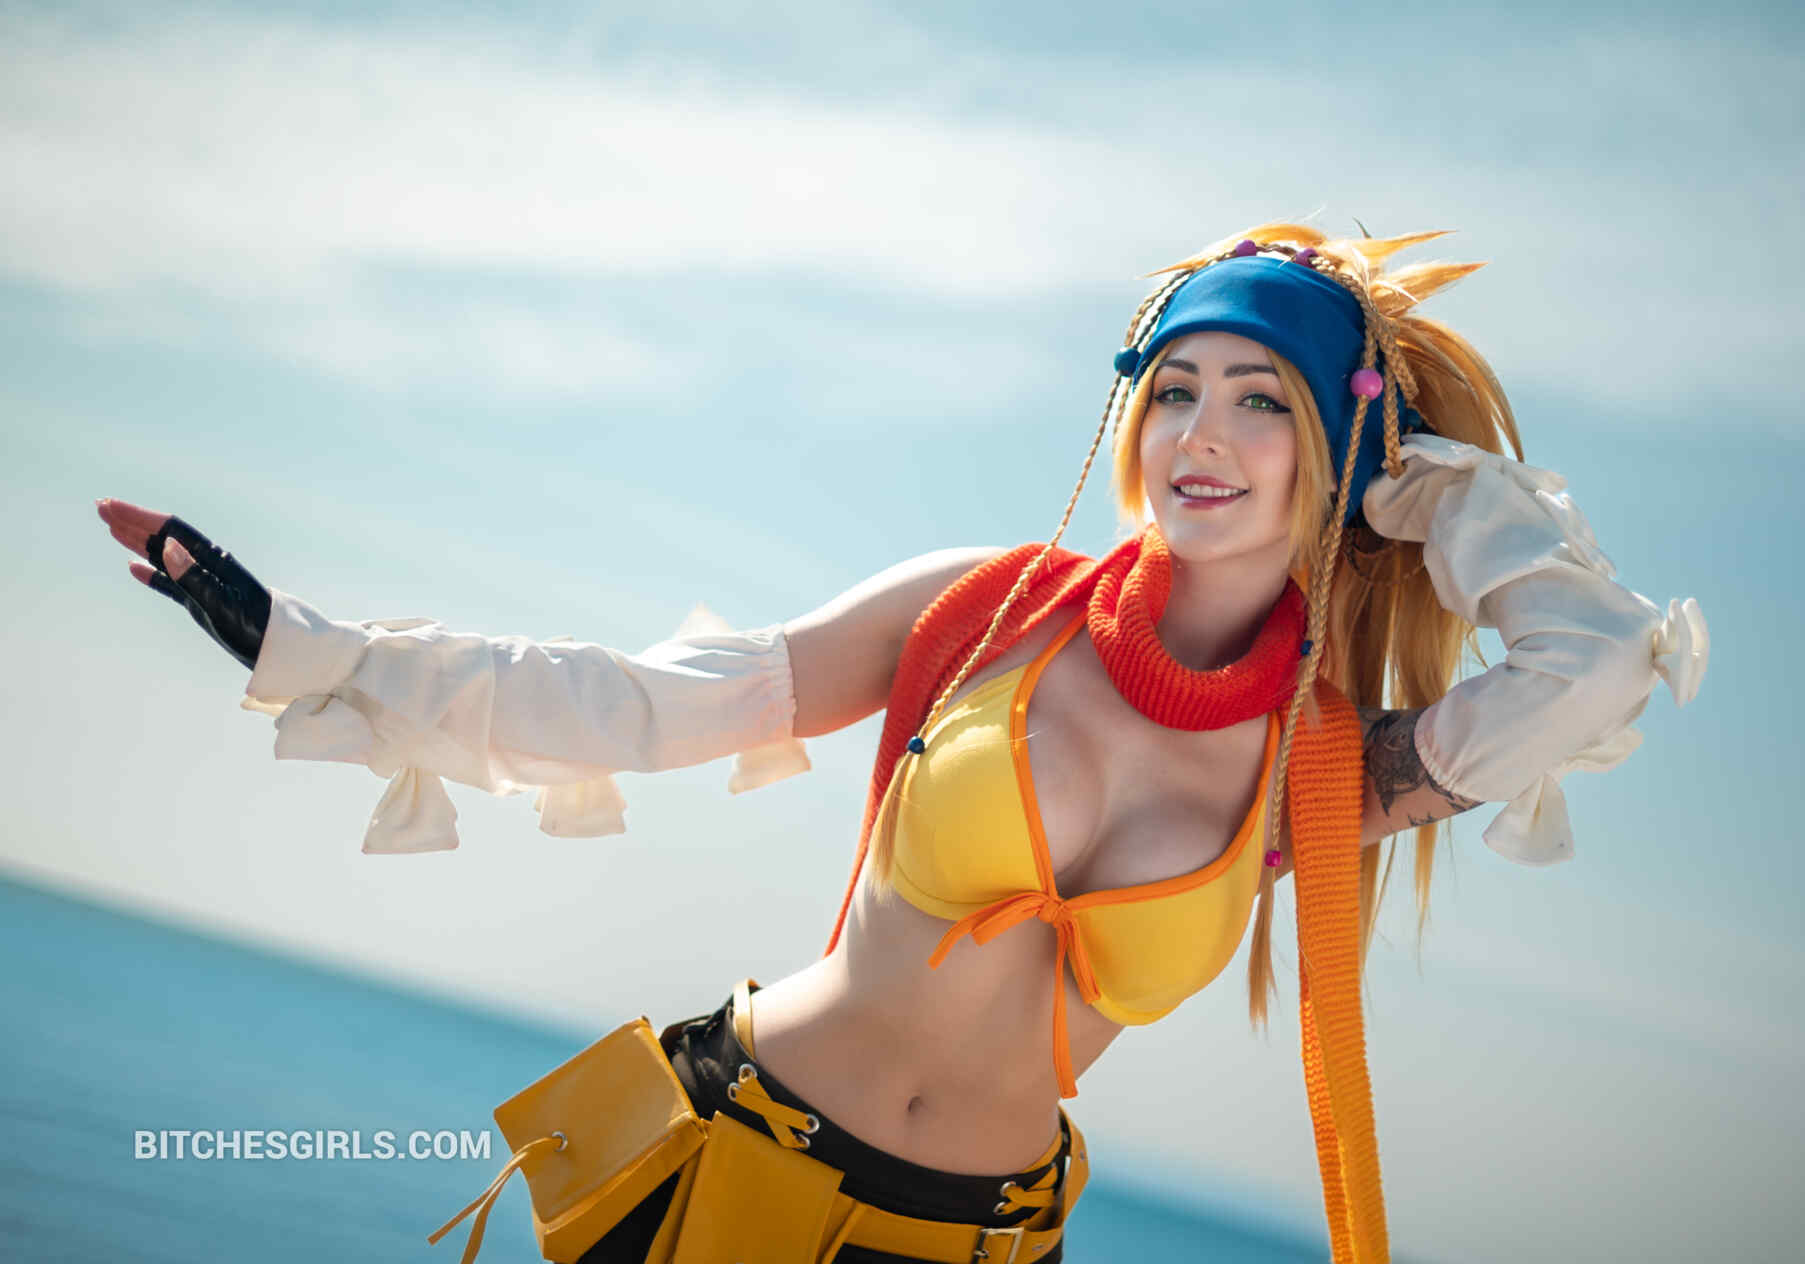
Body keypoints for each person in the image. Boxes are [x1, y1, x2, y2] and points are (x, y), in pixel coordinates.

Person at [97, 218, 1709, 1264]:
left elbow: (1590, 667)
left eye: (1263, 400)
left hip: (976, 1238)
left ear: (1336, 448)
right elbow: (645, 705)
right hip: (735, 1156)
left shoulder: (1319, 765)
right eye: (1174, 389)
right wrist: (300, 643)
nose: (1202, 436)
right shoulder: (990, 611)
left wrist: (1422, 482)